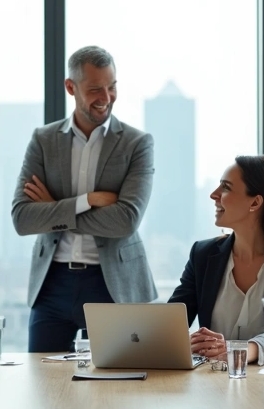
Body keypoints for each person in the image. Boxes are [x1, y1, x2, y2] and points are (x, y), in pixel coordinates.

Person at [12, 45, 156, 352]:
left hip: (112, 284)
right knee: (44, 387)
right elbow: (23, 219)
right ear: (70, 87)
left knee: (115, 392)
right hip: (52, 285)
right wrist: (86, 200)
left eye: (112, 87)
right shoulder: (43, 140)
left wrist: (54, 209)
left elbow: (125, 221)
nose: (106, 98)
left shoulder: (137, 144)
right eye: (94, 89)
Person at [168, 155, 264, 364]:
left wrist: (243, 351)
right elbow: (171, 323)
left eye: (226, 187)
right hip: (212, 382)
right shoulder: (203, 254)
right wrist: (189, 342)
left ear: (255, 202)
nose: (214, 194)